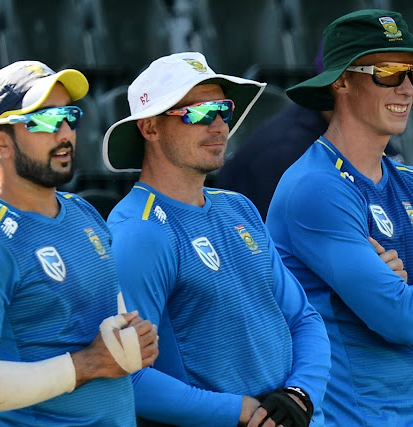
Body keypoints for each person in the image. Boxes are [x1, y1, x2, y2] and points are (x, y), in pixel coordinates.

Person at [266, 10, 413, 426]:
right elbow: (399, 320)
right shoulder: (314, 187)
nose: (407, 88)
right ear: (340, 81)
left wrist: (402, 303)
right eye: (388, 71)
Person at [102, 52, 331, 427]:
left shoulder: (238, 207)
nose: (220, 126)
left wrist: (299, 395)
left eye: (222, 109)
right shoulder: (139, 233)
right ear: (150, 128)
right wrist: (240, 411)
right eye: (198, 113)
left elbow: (304, 319)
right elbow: (127, 375)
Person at [0, 60, 159, 426]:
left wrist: (134, 340)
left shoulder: (83, 212)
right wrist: (86, 365)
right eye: (44, 120)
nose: (65, 132)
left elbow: (110, 332)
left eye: (69, 116)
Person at [217, 43, 403, 219]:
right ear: (341, 83)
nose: (406, 89)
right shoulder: (285, 153)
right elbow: (272, 247)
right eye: (387, 75)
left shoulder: (368, 129)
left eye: (411, 73)